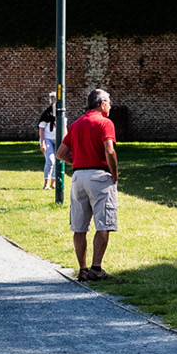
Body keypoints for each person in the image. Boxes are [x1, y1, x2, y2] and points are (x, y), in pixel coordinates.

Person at [56, 88, 119, 281]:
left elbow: (60, 153)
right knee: (103, 223)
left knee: (79, 226)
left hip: (78, 177)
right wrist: (114, 173)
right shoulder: (105, 123)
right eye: (108, 102)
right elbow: (109, 150)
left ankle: (82, 269)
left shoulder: (75, 125)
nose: (110, 105)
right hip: (99, 176)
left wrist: (76, 160)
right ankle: (96, 268)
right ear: (101, 104)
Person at [38, 97, 59, 191]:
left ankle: (53, 183)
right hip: (47, 139)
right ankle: (46, 183)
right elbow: (41, 129)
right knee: (50, 160)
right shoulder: (46, 114)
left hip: (58, 139)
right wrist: (42, 143)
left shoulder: (61, 114)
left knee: (58, 161)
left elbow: (64, 129)